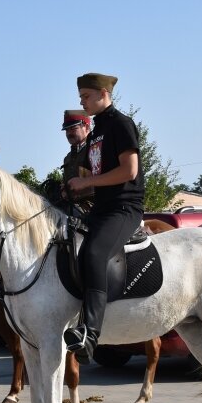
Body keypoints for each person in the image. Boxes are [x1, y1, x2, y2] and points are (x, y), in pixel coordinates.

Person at [62, 72, 145, 364]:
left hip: (124, 207)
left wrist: (86, 184)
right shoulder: (96, 131)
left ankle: (91, 333)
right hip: (101, 208)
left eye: (85, 96)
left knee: (95, 253)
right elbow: (91, 172)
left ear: (102, 93)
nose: (81, 101)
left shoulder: (121, 124)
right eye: (81, 96)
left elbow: (129, 171)